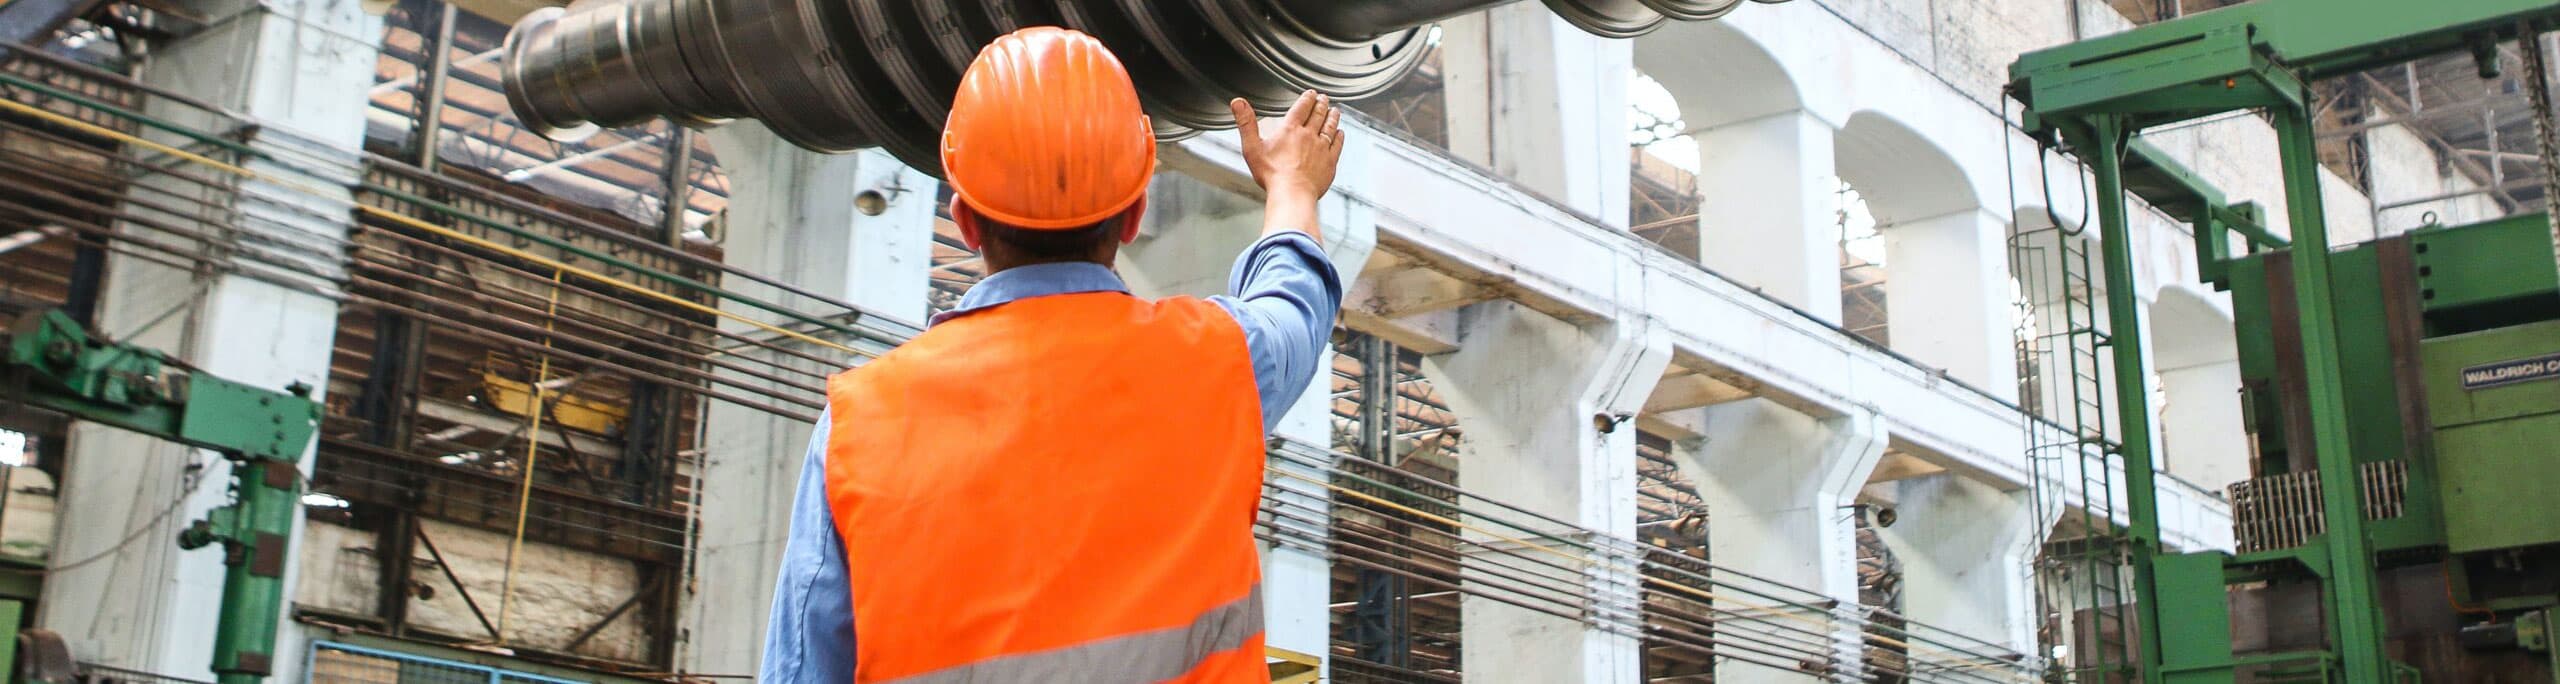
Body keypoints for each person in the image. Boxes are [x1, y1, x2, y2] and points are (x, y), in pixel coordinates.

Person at [758, 26, 1348, 683]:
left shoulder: (858, 429)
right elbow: (1295, 305)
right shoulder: (1218, 365)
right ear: (1134, 215)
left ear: (963, 218)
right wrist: (1291, 185)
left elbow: (804, 669)